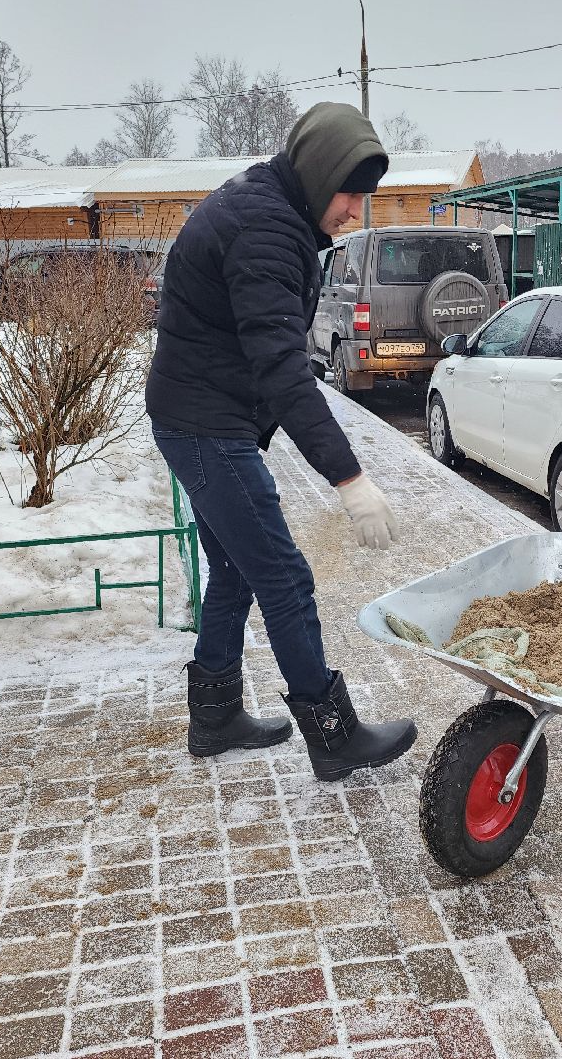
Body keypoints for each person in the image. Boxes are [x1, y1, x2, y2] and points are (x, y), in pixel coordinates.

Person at [146, 102, 417, 781]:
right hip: (206, 427)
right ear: (320, 172)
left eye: (365, 194)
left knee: (237, 569)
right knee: (284, 575)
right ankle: (332, 735)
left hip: (196, 416)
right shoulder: (266, 229)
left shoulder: (269, 207)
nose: (356, 210)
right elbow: (283, 370)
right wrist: (349, 479)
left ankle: (214, 716)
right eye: (350, 191)